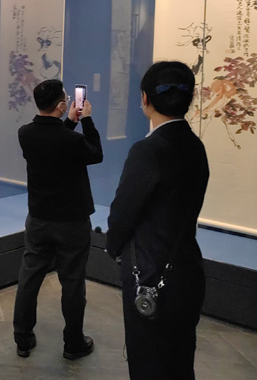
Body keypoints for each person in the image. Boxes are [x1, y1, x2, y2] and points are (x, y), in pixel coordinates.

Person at [106, 61, 209, 380]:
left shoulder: (147, 150)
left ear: (145, 99)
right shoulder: (195, 146)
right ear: (190, 99)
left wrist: (113, 247)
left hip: (150, 274)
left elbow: (123, 212)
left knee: (148, 361)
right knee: (180, 360)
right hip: (187, 269)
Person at [13, 79, 102, 360]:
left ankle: (23, 339)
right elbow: (95, 154)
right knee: (73, 282)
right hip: (72, 222)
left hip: (39, 218)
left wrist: (70, 122)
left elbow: (54, 141)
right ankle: (73, 343)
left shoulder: (25, 133)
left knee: (29, 279)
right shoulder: (72, 140)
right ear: (62, 105)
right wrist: (86, 120)